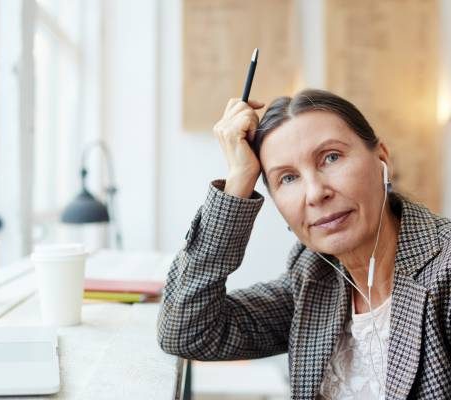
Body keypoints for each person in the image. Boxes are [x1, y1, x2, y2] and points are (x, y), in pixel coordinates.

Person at [156, 89, 451, 399]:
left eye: (331, 157)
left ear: (382, 159)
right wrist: (238, 181)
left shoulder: (444, 270)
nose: (315, 193)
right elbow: (186, 331)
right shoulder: (315, 276)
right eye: (288, 178)